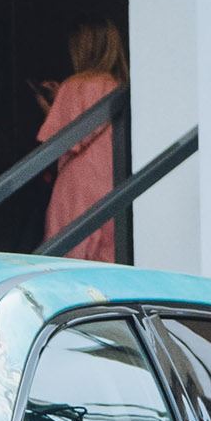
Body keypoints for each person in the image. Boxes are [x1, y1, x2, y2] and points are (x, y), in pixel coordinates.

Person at [35, 23, 125, 251]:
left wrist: (51, 109)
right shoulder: (119, 86)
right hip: (111, 181)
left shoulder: (74, 85)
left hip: (77, 187)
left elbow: (62, 141)